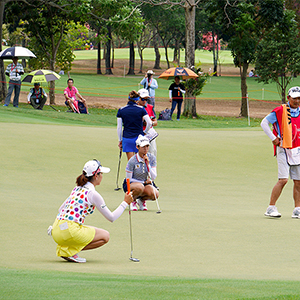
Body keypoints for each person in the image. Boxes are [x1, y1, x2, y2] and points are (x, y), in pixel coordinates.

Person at [48, 159, 133, 263]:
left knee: (91, 229)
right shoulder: (93, 194)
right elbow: (111, 218)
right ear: (96, 176)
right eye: (101, 173)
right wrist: (125, 202)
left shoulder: (77, 188)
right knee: (105, 236)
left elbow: (61, 209)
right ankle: (70, 251)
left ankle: (66, 249)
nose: (102, 176)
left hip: (56, 229)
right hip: (69, 231)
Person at [261, 86, 300, 218]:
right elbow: (264, 123)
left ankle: (297, 209)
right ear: (288, 98)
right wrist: (273, 138)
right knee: (283, 180)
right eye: (294, 98)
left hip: (298, 149)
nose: (297, 101)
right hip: (283, 148)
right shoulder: (280, 110)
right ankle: (271, 207)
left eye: (299, 98)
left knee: (298, 181)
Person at [123, 135, 159, 211]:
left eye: (147, 146)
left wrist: (148, 164)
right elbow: (128, 179)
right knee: (140, 187)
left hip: (144, 184)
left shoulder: (152, 158)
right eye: (143, 147)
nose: (145, 149)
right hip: (131, 185)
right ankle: (133, 200)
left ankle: (141, 200)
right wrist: (143, 182)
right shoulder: (132, 161)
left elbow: (153, 177)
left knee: (155, 194)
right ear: (137, 147)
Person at [117, 90, 152, 160]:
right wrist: (144, 132)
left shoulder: (121, 110)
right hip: (139, 138)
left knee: (131, 163)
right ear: (137, 100)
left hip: (127, 138)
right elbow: (149, 123)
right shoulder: (141, 109)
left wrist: (120, 140)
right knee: (140, 162)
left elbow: (119, 127)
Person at [137, 88, 158, 157]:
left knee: (152, 152)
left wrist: (150, 123)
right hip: (138, 133)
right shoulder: (134, 108)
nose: (144, 101)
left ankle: (151, 167)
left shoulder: (150, 107)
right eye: (142, 99)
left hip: (149, 134)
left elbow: (156, 122)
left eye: (146, 99)